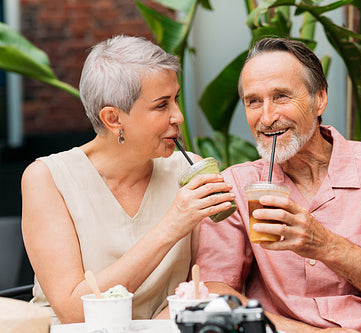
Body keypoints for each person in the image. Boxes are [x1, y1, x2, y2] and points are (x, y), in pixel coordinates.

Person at [196, 37, 361, 332]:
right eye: (254, 101)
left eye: (281, 96)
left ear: (319, 98)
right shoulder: (236, 185)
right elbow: (215, 289)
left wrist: (325, 245)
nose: (267, 118)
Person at [21, 35, 235, 324]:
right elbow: (75, 311)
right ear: (113, 119)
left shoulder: (191, 171)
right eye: (161, 105)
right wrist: (172, 225)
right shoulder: (47, 178)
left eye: (176, 99)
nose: (179, 117)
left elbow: (203, 286)